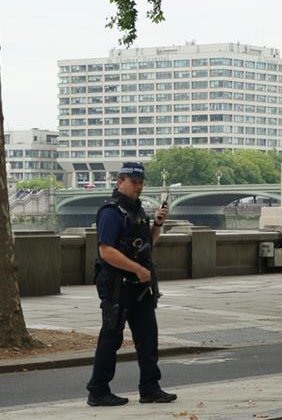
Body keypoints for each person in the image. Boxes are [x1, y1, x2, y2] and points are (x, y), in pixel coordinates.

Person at [86, 162, 176, 407]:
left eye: (141, 183)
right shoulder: (111, 211)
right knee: (111, 338)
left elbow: (147, 245)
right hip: (117, 285)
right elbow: (106, 251)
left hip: (140, 286)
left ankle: (150, 388)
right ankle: (98, 391)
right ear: (120, 182)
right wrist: (137, 268)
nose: (138, 187)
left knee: (148, 339)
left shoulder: (137, 210)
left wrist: (157, 224)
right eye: (134, 182)